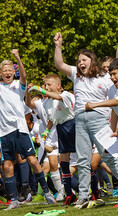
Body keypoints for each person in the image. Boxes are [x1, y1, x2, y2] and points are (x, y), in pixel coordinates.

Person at [53, 32, 118, 209]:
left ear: (92, 60)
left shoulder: (105, 77)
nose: (80, 63)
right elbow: (59, 64)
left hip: (99, 120)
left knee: (110, 155)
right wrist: (58, 45)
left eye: (84, 59)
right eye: (78, 61)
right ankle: (84, 196)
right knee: (83, 160)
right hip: (80, 121)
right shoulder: (77, 75)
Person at [0, 50, 56, 210]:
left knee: (32, 161)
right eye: (4, 71)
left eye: (10, 70)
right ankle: (14, 200)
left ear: (13, 71)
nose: (7, 73)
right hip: (4, 133)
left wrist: (18, 57)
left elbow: (23, 76)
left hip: (21, 130)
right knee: (8, 166)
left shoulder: (18, 85)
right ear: (1, 74)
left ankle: (47, 193)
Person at [85, 58, 118, 207]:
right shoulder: (115, 89)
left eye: (114, 73)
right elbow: (117, 111)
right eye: (110, 75)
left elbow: (116, 103)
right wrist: (116, 131)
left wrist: (95, 105)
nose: (112, 78)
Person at [28, 74, 79, 205]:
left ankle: (93, 192)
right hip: (61, 129)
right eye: (45, 85)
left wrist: (40, 89)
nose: (47, 87)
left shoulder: (66, 94)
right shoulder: (46, 102)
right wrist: (45, 132)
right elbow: (52, 119)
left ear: (58, 85)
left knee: (85, 162)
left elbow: (58, 97)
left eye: (49, 84)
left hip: (73, 126)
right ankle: (69, 194)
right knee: (63, 165)